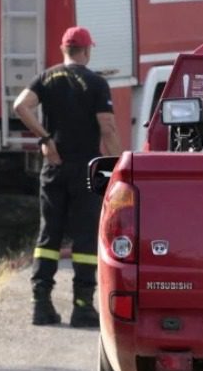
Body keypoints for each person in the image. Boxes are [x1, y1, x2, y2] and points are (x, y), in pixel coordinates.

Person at [13, 26, 122, 328]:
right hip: (87, 167)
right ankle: (83, 306)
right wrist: (119, 165)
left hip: (54, 166)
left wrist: (46, 139)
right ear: (86, 51)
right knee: (86, 236)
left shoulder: (46, 77)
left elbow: (20, 106)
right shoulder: (96, 82)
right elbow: (108, 128)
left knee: (49, 235)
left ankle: (41, 304)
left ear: (64, 50)